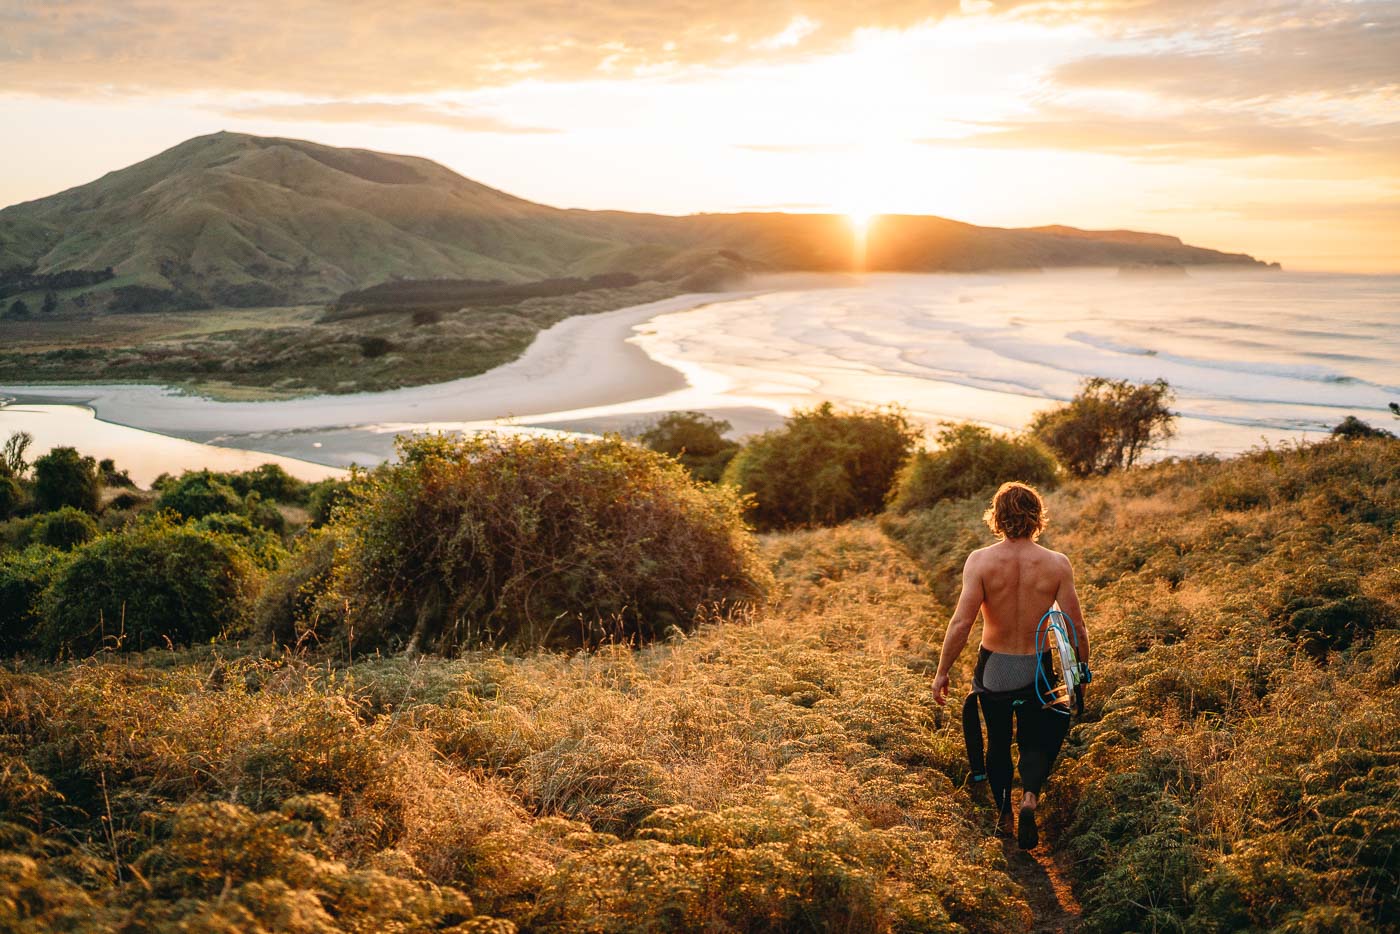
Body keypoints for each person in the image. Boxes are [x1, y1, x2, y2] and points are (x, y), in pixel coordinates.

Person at [931, 481, 1089, 850]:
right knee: (1036, 738)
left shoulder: (981, 561)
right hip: (1036, 666)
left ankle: (1004, 812)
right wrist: (1081, 672)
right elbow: (1075, 625)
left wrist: (942, 671)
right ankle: (1030, 797)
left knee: (999, 742)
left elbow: (961, 623)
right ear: (1037, 518)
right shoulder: (1056, 564)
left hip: (995, 667)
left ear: (997, 518)